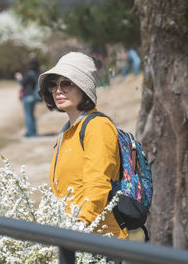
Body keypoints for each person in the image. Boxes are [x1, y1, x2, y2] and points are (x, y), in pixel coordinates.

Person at [38, 52, 127, 239]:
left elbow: (98, 182)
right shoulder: (67, 132)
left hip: (97, 239)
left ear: (83, 87)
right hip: (72, 236)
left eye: (66, 83)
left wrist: (81, 224)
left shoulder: (98, 127)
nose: (58, 90)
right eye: (54, 84)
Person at [14, 57, 40, 137]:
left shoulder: (29, 73)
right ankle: (34, 133)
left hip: (28, 96)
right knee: (32, 115)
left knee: (28, 116)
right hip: (34, 97)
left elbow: (22, 83)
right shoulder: (37, 73)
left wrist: (19, 77)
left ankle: (29, 133)